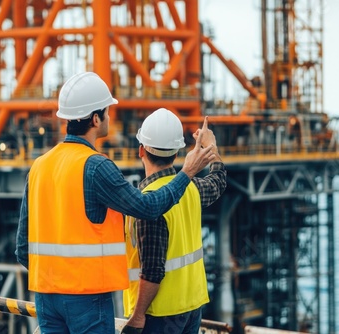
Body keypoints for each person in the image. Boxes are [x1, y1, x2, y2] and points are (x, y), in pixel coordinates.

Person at [15, 72, 215, 334]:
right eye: (108, 111)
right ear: (96, 118)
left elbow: (21, 248)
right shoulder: (96, 167)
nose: (110, 117)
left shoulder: (38, 167)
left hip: (45, 295)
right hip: (87, 297)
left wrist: (56, 279)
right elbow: (147, 208)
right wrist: (187, 173)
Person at [122, 109, 226, 334]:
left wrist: (138, 315)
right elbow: (218, 182)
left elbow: (152, 269)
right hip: (192, 307)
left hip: (159, 312)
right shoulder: (192, 188)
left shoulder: (147, 201)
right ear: (177, 152)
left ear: (141, 150)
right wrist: (212, 149)